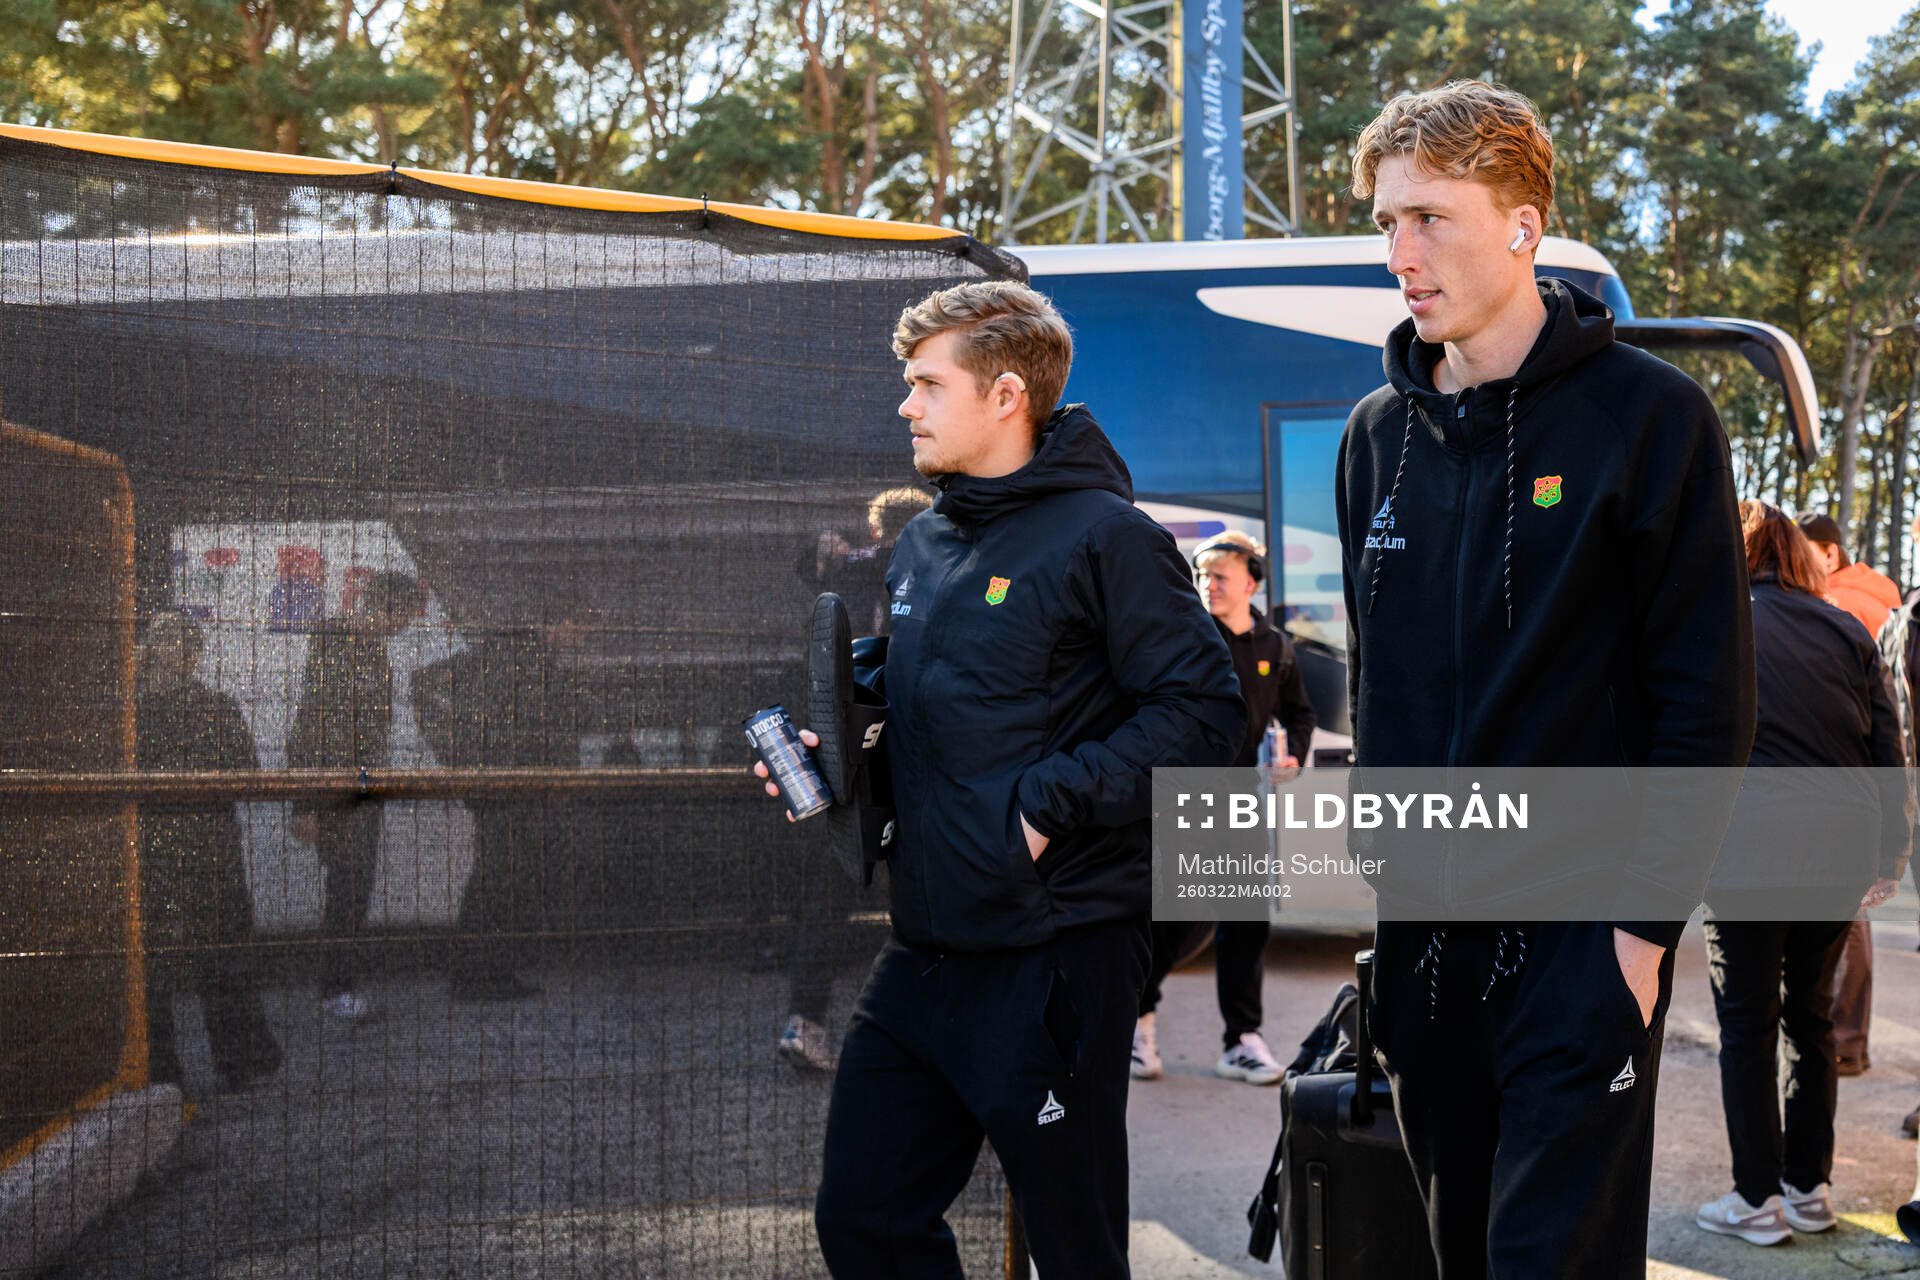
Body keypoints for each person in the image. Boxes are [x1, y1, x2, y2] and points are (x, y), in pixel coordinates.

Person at [1339, 81, 1755, 1276]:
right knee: (1458, 1253)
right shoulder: (1376, 434)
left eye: (1430, 218)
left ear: (1523, 225)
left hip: (1581, 944)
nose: (1401, 254)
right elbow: (1378, 680)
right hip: (1423, 946)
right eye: (1387, 223)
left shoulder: (1653, 416)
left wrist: (1636, 937)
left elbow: (1706, 701)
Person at [756, 279, 1243, 1277]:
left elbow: (1204, 714)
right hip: (924, 948)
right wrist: (837, 747)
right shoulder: (927, 542)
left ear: (1007, 394)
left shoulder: (1110, 537)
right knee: (864, 1218)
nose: (906, 405)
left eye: (928, 384)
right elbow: (934, 696)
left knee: (1075, 1252)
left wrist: (1043, 807)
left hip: (1055, 955)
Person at [1692, 503, 1908, 1246]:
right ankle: (1809, 1189)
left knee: (1747, 1023)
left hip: (1745, 850)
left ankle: (1755, 1198)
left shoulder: (1718, 626)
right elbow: (1887, 749)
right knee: (1811, 1018)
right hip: (1838, 850)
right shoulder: (1847, 630)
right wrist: (1889, 856)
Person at [1131, 530, 1316, 1086]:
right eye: (1202, 575)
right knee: (1177, 921)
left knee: (1246, 923)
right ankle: (1138, 1022)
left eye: (1219, 576)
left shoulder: (1276, 648)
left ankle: (1241, 1041)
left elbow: (1300, 714)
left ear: (1251, 583)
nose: (1207, 585)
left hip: (1243, 802)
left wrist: (1294, 755)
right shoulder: (1186, 638)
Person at [778, 485, 935, 1069]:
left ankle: (806, 1022)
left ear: (875, 529)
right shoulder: (934, 568)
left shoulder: (854, 569)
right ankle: (919, 1033)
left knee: (830, 894)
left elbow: (809, 565)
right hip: (910, 757)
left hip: (848, 754)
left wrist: (824, 550)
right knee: (917, 895)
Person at [136, 612, 283, 1094]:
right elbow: (248, 775)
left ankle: (156, 1073)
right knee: (224, 956)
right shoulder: (215, 707)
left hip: (149, 847)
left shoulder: (130, 713)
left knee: (150, 965)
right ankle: (244, 1061)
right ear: (194, 656)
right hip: (210, 844)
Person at [414, 612, 594, 1002]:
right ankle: (479, 974)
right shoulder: (509, 653)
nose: (579, 641)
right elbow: (424, 684)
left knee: (502, 879)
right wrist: (464, 758)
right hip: (508, 789)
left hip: (518, 787)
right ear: (557, 622)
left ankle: (488, 970)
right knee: (497, 879)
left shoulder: (523, 655)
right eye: (578, 630)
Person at [286, 569, 423, 1021]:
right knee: (347, 889)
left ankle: (341, 986)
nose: (402, 627)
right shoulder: (335, 643)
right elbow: (310, 723)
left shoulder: (372, 650)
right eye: (403, 617)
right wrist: (305, 804)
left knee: (354, 887)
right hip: (335, 791)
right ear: (385, 607)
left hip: (360, 788)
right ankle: (336, 990)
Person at [1798, 510, 1903, 1073]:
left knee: (1850, 916)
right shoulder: (1871, 600)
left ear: (1828, 553)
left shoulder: (1843, 605)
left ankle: (1846, 1037)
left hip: (1845, 784)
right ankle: (1844, 1036)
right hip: (1860, 782)